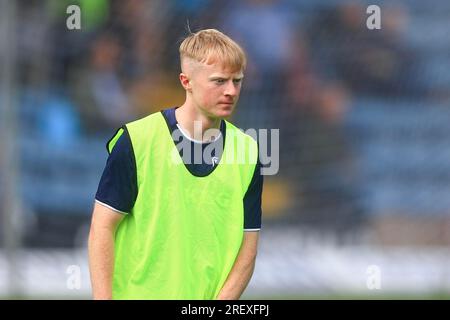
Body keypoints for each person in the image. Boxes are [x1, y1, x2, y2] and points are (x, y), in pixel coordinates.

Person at [88, 29, 263, 300]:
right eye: (219, 81)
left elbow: (248, 246)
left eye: (236, 81)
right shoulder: (136, 141)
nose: (230, 91)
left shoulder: (248, 152)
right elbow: (102, 227)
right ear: (186, 81)